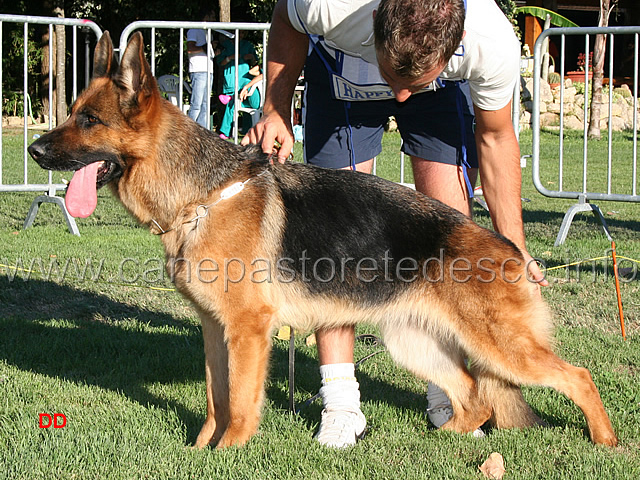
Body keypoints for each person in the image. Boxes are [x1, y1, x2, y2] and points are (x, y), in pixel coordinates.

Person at [242, 0, 548, 448]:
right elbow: (286, 18)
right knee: (333, 246)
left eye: (412, 85)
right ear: (375, 25)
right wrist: (276, 106)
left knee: (448, 241)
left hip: (441, 95)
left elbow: (496, 137)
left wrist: (514, 245)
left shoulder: (490, 39)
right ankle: (341, 400)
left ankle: (448, 392)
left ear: (455, 46)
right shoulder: (330, 6)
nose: (399, 97)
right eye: (394, 79)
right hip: (343, 78)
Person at [216, 31, 258, 139]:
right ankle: (225, 132)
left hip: (245, 77)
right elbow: (220, 62)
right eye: (240, 33)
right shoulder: (226, 45)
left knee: (239, 102)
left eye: (244, 33)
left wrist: (251, 58)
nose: (242, 35)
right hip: (231, 76)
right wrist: (230, 58)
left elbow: (255, 63)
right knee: (234, 103)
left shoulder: (247, 45)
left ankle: (245, 130)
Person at [186, 9, 217, 129]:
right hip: (198, 70)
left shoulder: (208, 32)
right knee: (196, 104)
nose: (214, 20)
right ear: (205, 16)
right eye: (212, 16)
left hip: (209, 70)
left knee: (205, 105)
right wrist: (205, 47)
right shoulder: (194, 30)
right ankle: (188, 131)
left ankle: (202, 133)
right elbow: (190, 48)